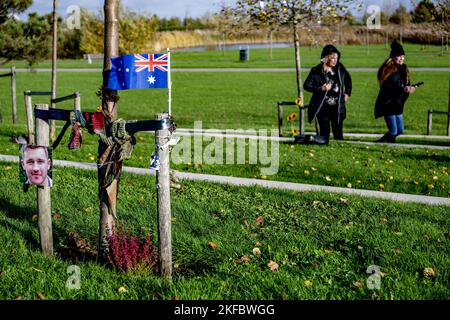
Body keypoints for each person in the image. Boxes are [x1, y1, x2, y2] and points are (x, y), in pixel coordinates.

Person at [303, 44, 352, 144]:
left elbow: (348, 80)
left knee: (338, 132)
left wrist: (347, 93)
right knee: (324, 134)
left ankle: (340, 147)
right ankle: (320, 142)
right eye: (332, 58)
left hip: (337, 106)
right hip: (322, 107)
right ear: (326, 57)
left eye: (336, 58)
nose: (335, 60)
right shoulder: (316, 71)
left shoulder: (340, 68)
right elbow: (306, 85)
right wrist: (321, 88)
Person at [374, 40, 416, 143]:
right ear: (393, 57)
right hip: (389, 103)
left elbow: (406, 83)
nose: (401, 58)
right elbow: (388, 86)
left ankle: (385, 140)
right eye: (399, 56)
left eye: (403, 56)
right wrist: (403, 89)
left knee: (400, 130)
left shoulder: (404, 68)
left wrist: (411, 87)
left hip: (398, 103)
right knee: (393, 131)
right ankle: (387, 144)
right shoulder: (388, 69)